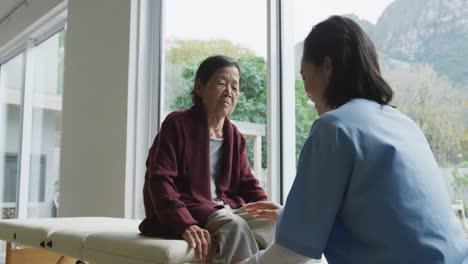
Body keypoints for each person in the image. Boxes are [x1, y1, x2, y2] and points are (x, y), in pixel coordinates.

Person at [241, 15, 468, 264]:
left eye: (305, 78)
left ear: (327, 67)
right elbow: (391, 217)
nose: (307, 92)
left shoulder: (334, 127)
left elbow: (293, 253)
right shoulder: (403, 123)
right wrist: (293, 216)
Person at [139, 55, 275, 264]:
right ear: (200, 87)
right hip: (189, 207)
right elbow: (160, 180)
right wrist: (185, 224)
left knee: (275, 223)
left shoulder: (234, 136)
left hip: (223, 208)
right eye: (221, 83)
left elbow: (248, 185)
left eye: (235, 87)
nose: (229, 92)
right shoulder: (177, 124)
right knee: (234, 225)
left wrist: (270, 208)